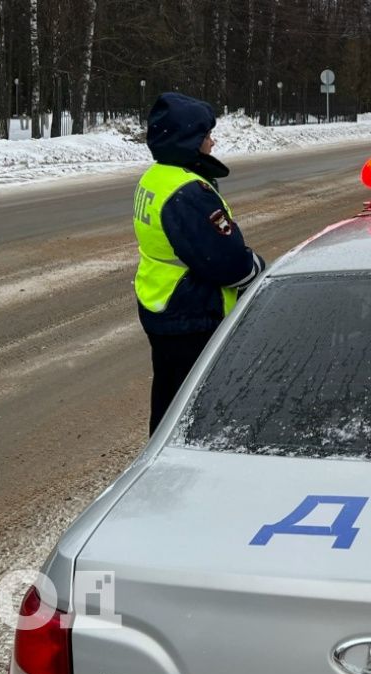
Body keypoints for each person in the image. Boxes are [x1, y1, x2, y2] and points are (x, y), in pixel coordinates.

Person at [133, 92, 265, 435]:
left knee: (169, 398)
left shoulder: (156, 177)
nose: (212, 141)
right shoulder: (187, 193)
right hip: (190, 315)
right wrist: (256, 268)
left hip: (161, 303)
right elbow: (229, 264)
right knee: (195, 411)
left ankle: (159, 456)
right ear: (188, 140)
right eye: (205, 134)